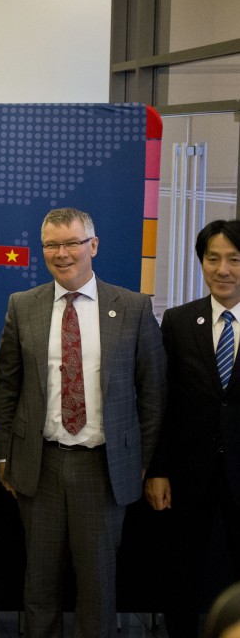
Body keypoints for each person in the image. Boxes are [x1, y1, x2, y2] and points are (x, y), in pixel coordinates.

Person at [0, 207, 166, 638]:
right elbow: (6, 386)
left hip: (102, 469)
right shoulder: (23, 306)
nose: (62, 253)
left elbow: (153, 392)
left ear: (93, 246)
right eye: (52, 244)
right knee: (39, 587)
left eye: (71, 243)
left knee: (97, 587)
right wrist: (6, 457)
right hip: (40, 466)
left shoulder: (133, 307)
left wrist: (141, 461)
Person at [146, 219, 240, 637]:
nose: (223, 269)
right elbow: (164, 402)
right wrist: (158, 469)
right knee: (181, 570)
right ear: (201, 262)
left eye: (235, 260)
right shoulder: (180, 322)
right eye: (213, 258)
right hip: (188, 473)